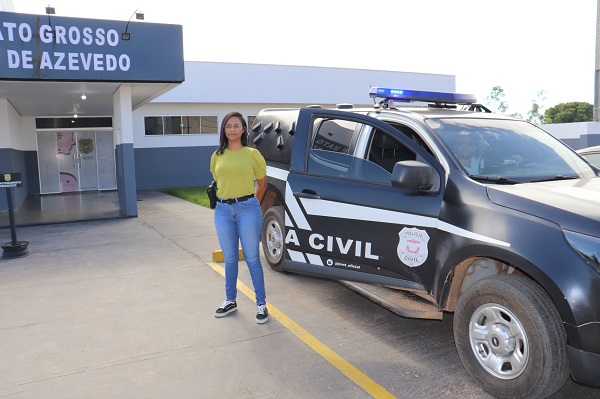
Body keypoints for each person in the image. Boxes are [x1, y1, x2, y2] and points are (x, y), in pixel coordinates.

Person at [209, 111, 269, 324]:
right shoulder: (217, 156)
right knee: (230, 259)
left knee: (252, 258)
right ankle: (230, 300)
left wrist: (251, 205)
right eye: (228, 126)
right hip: (223, 211)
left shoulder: (252, 154)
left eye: (236, 126)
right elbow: (218, 181)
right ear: (223, 130)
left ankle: (261, 304)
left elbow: (262, 185)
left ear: (243, 129)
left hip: (247, 209)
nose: (232, 129)